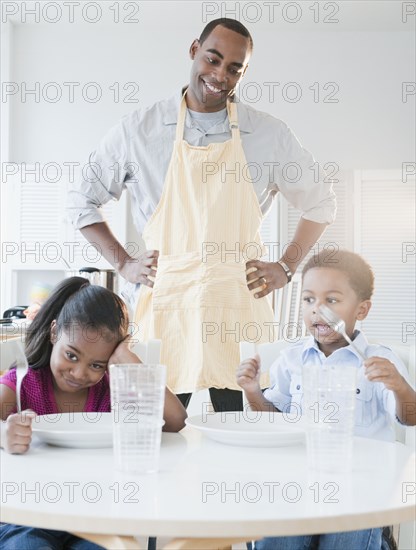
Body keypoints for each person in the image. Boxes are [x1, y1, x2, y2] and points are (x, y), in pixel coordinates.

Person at [67, 18, 336, 412]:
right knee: (160, 427)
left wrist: (286, 266)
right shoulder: (138, 131)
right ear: (194, 50)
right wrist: (123, 263)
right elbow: (80, 202)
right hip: (167, 309)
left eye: (234, 69)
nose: (220, 75)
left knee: (245, 428)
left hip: (237, 307)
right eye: (213, 59)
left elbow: (321, 202)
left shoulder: (268, 135)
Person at [237, 249, 416, 550]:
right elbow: (272, 421)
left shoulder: (379, 361)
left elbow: (411, 416)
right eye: (309, 300)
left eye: (331, 300)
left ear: (361, 310)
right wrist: (253, 391)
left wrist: (398, 386)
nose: (317, 309)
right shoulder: (291, 359)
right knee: (278, 541)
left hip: (361, 491)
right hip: (296, 487)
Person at [0, 277, 186, 550]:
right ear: (54, 333)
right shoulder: (22, 383)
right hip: (28, 517)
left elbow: (177, 421)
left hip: (97, 517)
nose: (79, 373)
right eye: (71, 356)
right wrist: (3, 433)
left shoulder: (112, 389)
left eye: (97, 364)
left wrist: (130, 361)